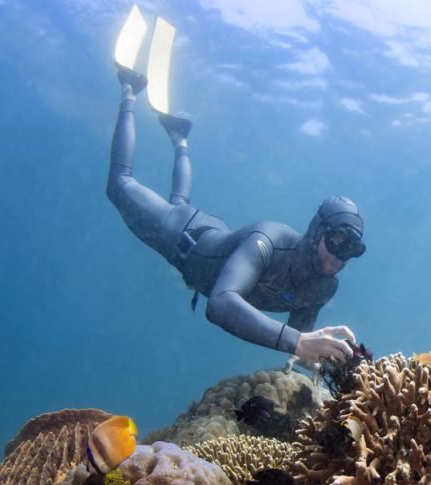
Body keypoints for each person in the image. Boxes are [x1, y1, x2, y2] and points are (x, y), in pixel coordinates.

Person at [106, 66, 364, 363]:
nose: (339, 256)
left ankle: (180, 140)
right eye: (337, 240)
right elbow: (221, 303)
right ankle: (129, 88)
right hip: (181, 235)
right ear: (318, 231)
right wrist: (298, 342)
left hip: (214, 241)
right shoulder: (268, 239)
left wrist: (340, 363)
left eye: (351, 250)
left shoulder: (322, 287)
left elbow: (300, 351)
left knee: (179, 200)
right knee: (120, 185)